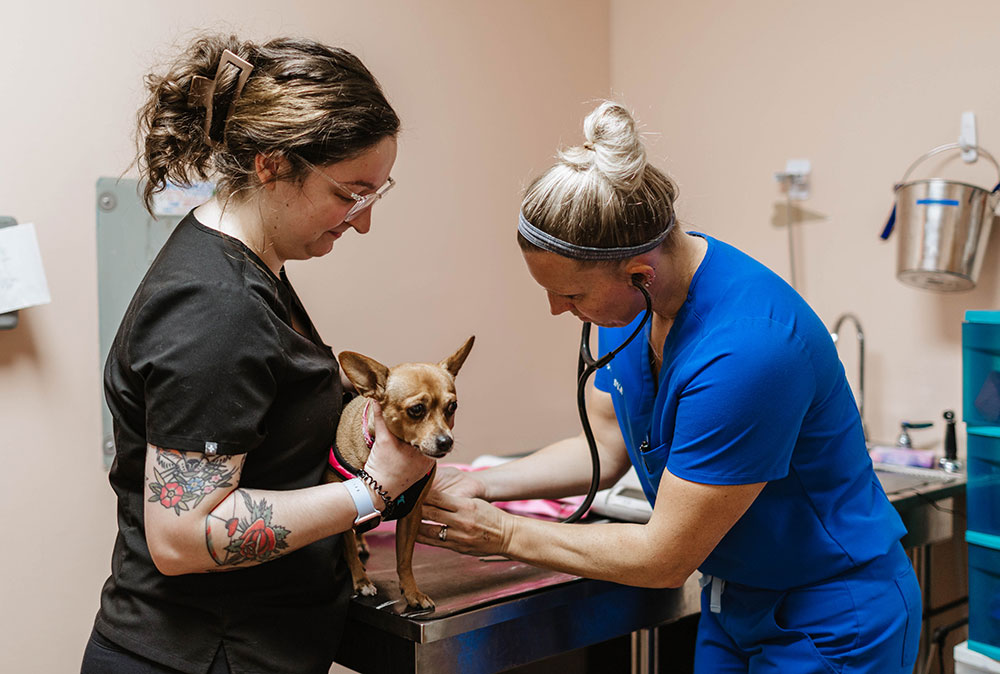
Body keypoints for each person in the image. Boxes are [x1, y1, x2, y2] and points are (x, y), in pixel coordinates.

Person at [417, 101, 922, 673]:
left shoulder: (747, 351)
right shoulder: (642, 300)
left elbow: (663, 558)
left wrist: (502, 532)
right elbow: (605, 446)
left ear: (639, 271)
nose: (558, 311)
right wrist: (480, 485)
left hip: (831, 615)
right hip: (735, 601)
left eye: (572, 295)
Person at [82, 35, 434, 674]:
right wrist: (374, 490)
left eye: (375, 196)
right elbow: (184, 536)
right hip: (203, 655)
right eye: (350, 193)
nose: (362, 221)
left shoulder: (248, 267)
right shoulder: (216, 309)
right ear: (272, 164)